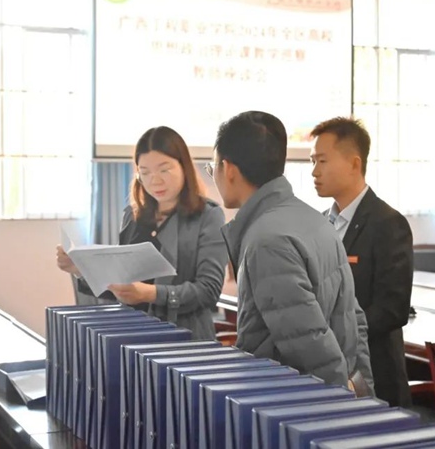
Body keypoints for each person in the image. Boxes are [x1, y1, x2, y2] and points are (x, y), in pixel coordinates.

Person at [209, 110, 374, 392]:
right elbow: (354, 319)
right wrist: (361, 388)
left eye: (212, 167)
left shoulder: (267, 241)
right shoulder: (314, 220)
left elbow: (310, 344)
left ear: (229, 169)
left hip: (289, 402)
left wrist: (341, 399)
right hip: (328, 393)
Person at [56, 126, 227, 339]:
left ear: (184, 167)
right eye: (145, 172)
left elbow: (208, 291)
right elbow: (119, 286)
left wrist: (151, 294)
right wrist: (81, 269)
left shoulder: (207, 215)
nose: (155, 180)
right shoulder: (133, 216)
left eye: (164, 170)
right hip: (133, 336)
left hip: (186, 339)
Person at [310, 117, 413, 407]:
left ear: (354, 164)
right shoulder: (319, 224)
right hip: (327, 371)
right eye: (312, 161)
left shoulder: (388, 223)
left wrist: (337, 333)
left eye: (322, 161)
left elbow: (393, 309)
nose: (314, 171)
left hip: (375, 377)